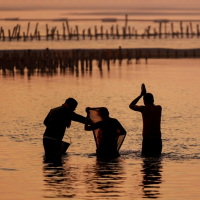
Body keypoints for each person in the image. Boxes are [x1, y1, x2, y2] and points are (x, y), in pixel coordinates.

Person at [129, 84, 162, 157]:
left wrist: (141, 95)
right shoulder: (159, 108)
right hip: (157, 139)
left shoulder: (144, 109)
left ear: (144, 101)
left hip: (147, 139)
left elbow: (131, 105)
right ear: (153, 100)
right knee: (157, 161)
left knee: (146, 161)